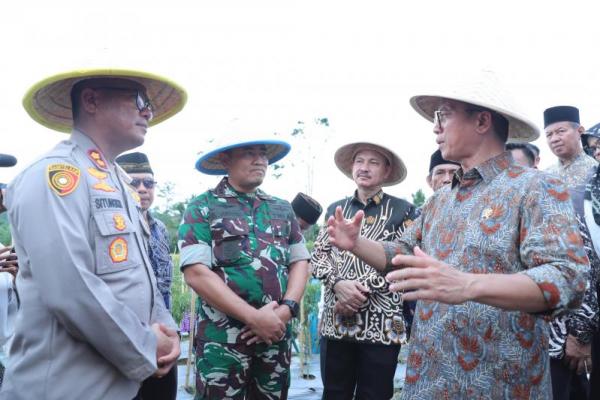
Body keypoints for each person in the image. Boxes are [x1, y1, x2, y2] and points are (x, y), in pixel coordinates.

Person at [326, 79, 587, 398]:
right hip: (429, 381)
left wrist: (466, 285)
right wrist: (356, 244)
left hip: (500, 384)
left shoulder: (536, 188)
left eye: (444, 115)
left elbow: (566, 279)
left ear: (481, 121)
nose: (435, 128)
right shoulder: (438, 201)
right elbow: (402, 253)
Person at [0, 69, 186, 400]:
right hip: (67, 386)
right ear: (91, 100)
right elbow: (70, 289)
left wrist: (165, 327)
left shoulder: (118, 181)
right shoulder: (53, 175)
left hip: (120, 381)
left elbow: (140, 273)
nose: (148, 112)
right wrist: (145, 346)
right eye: (139, 99)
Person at [178, 135, 310, 399]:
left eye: (263, 153)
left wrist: (286, 310)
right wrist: (254, 317)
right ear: (225, 159)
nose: (260, 160)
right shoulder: (203, 207)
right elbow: (196, 274)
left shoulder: (282, 209)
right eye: (249, 153)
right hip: (222, 344)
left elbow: (300, 261)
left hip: (275, 338)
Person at [311, 141, 417, 399]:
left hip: (382, 325)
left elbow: (404, 256)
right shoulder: (336, 208)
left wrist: (358, 292)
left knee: (375, 394)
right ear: (351, 167)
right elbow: (319, 255)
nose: (365, 168)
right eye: (360, 161)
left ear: (387, 171)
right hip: (337, 322)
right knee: (334, 392)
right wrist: (338, 285)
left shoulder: (404, 210)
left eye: (374, 162)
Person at [117, 151, 177, 400]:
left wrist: (171, 334)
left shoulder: (160, 227)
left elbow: (164, 287)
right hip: (125, 336)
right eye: (134, 182)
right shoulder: (113, 226)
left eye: (149, 183)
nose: (143, 189)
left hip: (163, 333)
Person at [545, 105, 597, 188]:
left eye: (561, 131)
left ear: (580, 131)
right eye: (549, 135)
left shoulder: (596, 170)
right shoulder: (545, 175)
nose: (554, 139)